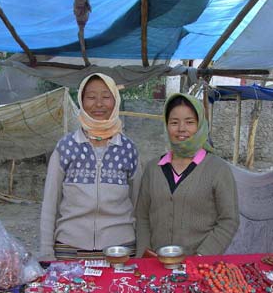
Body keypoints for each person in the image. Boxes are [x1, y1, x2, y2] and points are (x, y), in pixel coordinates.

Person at [40, 73, 141, 260]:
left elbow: (137, 202)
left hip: (120, 251)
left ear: (115, 100)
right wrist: (46, 251)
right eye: (91, 97)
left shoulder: (128, 149)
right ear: (81, 100)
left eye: (106, 96)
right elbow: (50, 202)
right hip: (69, 250)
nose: (99, 104)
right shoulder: (66, 147)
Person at [136, 93, 239, 257]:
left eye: (189, 122)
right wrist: (144, 256)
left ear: (200, 125)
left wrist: (200, 257)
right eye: (174, 122)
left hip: (198, 268)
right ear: (167, 125)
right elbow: (142, 217)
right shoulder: (152, 169)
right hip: (155, 265)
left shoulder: (218, 169)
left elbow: (228, 220)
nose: (181, 129)